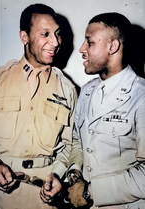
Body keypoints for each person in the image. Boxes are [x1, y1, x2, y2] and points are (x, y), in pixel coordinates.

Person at [0, 3, 82, 209]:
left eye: (57, 34)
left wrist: (59, 175)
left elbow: (72, 144)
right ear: (24, 37)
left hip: (45, 197)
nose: (55, 42)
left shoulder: (68, 88)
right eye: (45, 34)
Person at [69, 12, 145, 209]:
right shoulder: (86, 92)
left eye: (89, 42)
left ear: (113, 46)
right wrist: (75, 174)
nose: (81, 49)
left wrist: (90, 192)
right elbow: (78, 140)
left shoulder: (141, 96)